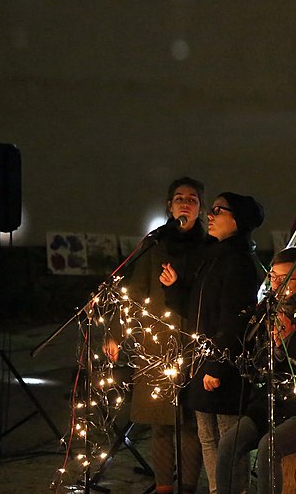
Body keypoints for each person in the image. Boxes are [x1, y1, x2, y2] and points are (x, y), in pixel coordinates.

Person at [105, 176, 208, 494]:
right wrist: (115, 332)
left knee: (191, 423)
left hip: (194, 342)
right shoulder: (155, 245)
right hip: (156, 345)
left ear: (200, 208)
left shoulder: (210, 246)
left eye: (192, 198)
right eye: (180, 198)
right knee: (161, 423)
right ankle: (164, 486)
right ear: (169, 205)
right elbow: (133, 292)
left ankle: (188, 487)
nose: (186, 203)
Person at [216, 247, 296, 494]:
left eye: (284, 278)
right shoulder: (268, 310)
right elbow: (258, 360)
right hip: (274, 403)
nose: (276, 284)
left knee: (269, 447)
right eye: (273, 277)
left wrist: (290, 340)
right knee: (228, 444)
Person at [162, 191, 265, 494]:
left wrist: (217, 365)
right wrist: (174, 289)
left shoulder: (239, 262)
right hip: (202, 363)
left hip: (224, 368)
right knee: (208, 437)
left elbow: (235, 320)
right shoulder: (212, 257)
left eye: (219, 210)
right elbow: (198, 312)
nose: (210, 214)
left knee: (229, 442)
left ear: (237, 220)